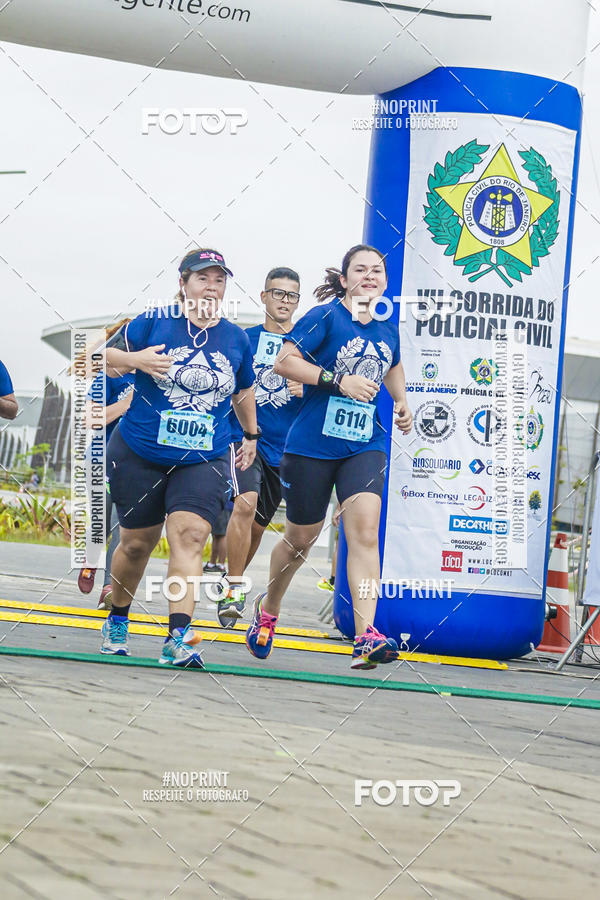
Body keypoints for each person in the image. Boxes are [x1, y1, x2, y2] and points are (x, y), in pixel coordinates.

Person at [245, 244, 413, 670]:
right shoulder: (324, 317)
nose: (370, 276)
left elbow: (391, 363)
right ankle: (269, 609)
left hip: (364, 443)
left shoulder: (385, 324)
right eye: (361, 269)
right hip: (311, 447)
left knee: (365, 533)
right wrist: (339, 381)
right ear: (344, 279)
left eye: (378, 270)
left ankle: (365, 636)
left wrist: (402, 401)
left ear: (385, 281)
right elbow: (284, 361)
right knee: (301, 539)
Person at [101, 248, 257, 666]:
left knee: (189, 536)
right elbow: (102, 355)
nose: (212, 286)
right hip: (140, 450)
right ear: (184, 283)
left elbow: (243, 392)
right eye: (203, 278)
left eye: (219, 279)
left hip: (203, 456)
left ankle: (177, 636)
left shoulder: (236, 338)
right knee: (136, 545)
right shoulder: (154, 320)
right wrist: (136, 360)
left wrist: (252, 434)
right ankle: (118, 616)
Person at [217, 267, 303, 627]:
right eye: (277, 293)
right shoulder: (244, 338)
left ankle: (228, 580)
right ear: (263, 296)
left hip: (284, 450)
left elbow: (330, 387)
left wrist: (308, 387)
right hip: (245, 439)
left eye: (291, 296)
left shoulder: (306, 343)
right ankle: (235, 590)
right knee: (244, 505)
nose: (284, 301)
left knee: (256, 528)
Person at [77, 324, 134, 608]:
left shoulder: (157, 379)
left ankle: (109, 587)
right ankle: (90, 557)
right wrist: (124, 406)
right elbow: (90, 418)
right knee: (102, 523)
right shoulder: (110, 378)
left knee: (121, 526)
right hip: (101, 459)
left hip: (135, 465)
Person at [204, 498, 232, 574]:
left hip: (223, 505)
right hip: (220, 505)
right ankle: (212, 563)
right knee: (216, 535)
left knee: (222, 535)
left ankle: (221, 564)